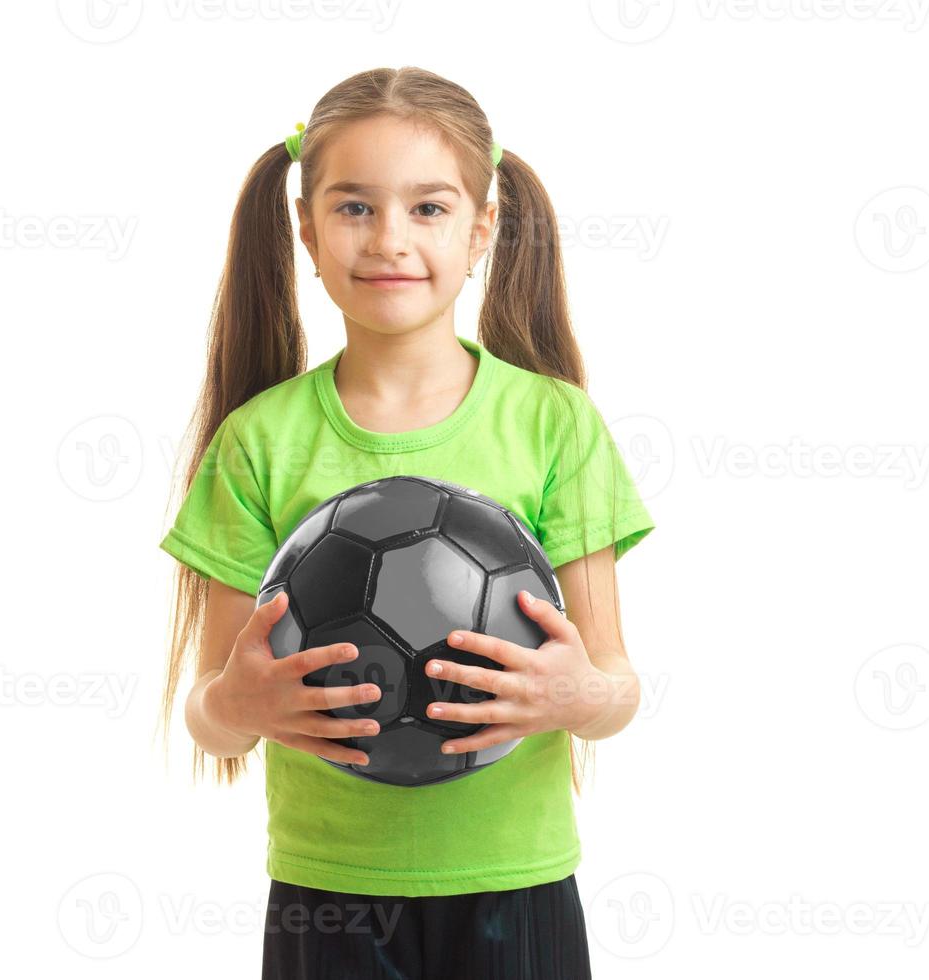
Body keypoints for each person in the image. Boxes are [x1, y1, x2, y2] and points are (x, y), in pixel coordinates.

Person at [156, 66, 656, 979]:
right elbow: (210, 712)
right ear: (306, 229)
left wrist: (576, 696)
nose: (390, 239)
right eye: (354, 208)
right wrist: (240, 702)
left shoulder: (555, 425)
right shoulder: (259, 442)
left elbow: (615, 685)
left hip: (517, 883)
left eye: (428, 208)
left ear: (482, 229)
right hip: (329, 894)